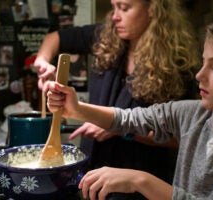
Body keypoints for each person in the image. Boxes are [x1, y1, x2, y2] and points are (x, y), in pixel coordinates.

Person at [44, 7, 213, 199]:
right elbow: (129, 118)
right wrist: (75, 108)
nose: (200, 76)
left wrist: (141, 181)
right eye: (203, 63)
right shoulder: (194, 114)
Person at [34, 0, 200, 183]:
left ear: (153, 9)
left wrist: (121, 130)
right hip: (92, 169)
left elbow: (180, 138)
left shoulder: (177, 66)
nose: (114, 16)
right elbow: (54, 38)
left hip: (141, 180)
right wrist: (42, 62)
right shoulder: (106, 37)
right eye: (114, 7)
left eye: (124, 8)